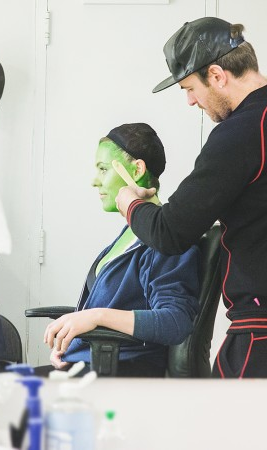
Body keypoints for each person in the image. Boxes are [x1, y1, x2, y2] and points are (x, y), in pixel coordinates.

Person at [115, 17, 267, 378]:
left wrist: (131, 204)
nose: (190, 101)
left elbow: (170, 233)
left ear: (216, 75)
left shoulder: (242, 132)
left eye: (189, 88)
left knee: (219, 432)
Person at [42, 123, 201, 377]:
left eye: (103, 169)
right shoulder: (129, 235)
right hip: (84, 366)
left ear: (137, 169)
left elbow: (175, 321)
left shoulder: (166, 241)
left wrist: (97, 317)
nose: (95, 181)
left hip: (119, 375)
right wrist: (70, 340)